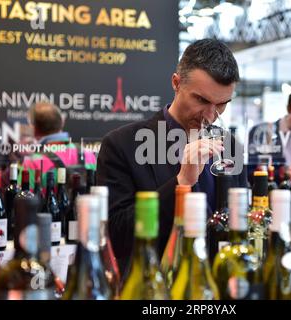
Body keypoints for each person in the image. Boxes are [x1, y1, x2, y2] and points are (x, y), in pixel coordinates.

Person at [96, 39, 247, 277]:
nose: (211, 115)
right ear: (176, 83)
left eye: (221, 105)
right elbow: (117, 235)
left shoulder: (230, 146)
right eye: (201, 100)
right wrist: (181, 182)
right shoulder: (122, 145)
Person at [22, 102, 96, 187]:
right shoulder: (88, 155)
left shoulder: (33, 162)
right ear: (62, 122)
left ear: (34, 128)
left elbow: (25, 198)